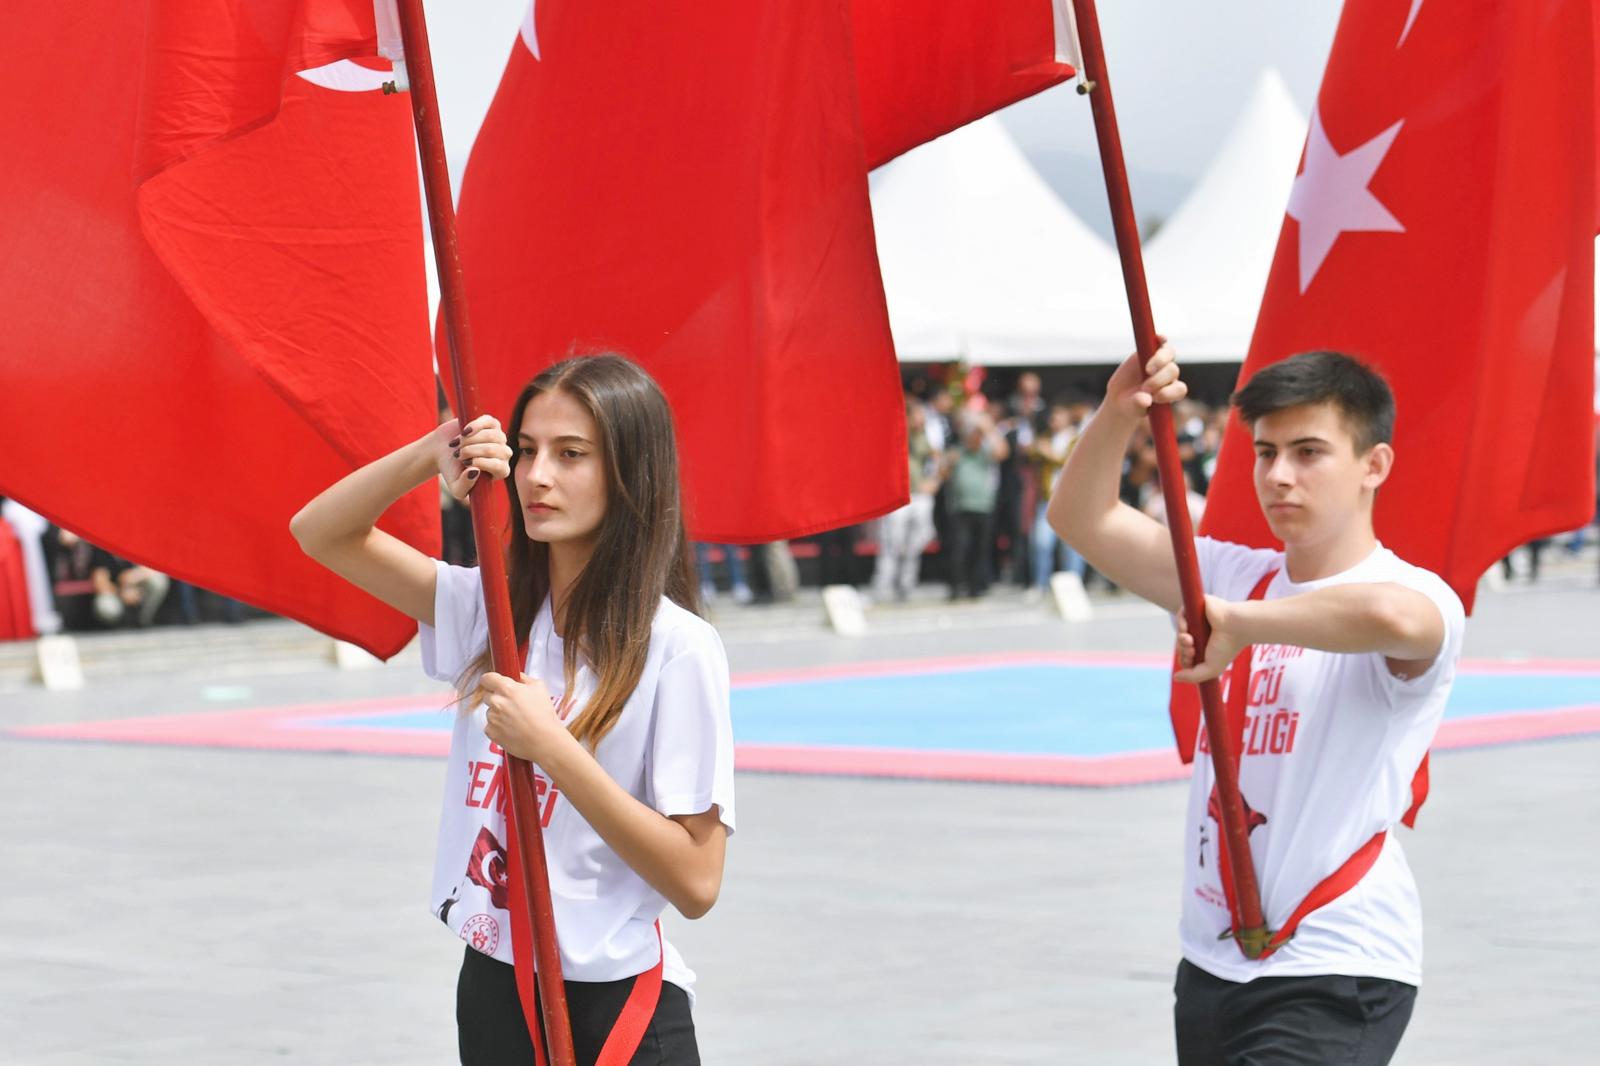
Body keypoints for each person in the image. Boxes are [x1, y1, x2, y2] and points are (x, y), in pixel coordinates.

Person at [291, 354, 733, 1065]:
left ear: (631, 472)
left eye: (571, 454)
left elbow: (697, 881)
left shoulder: (676, 646)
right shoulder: (490, 612)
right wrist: (432, 451)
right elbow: (319, 532)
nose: (536, 476)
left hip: (612, 1005)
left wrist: (552, 747)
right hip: (494, 986)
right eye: (527, 450)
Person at [1049, 347, 1464, 1066]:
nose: (1278, 475)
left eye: (1309, 453)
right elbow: (1081, 518)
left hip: (1336, 960)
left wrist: (1242, 624)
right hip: (1212, 961)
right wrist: (1120, 410)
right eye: (1266, 452)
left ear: (1374, 465)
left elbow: (1396, 620)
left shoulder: (1415, 592)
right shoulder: (1230, 575)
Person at [871, 397, 941, 603]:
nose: (921, 420)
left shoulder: (926, 436)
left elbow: (938, 460)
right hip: (899, 496)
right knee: (891, 543)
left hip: (920, 495)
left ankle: (906, 585)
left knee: (916, 543)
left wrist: (935, 482)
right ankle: (883, 587)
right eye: (917, 416)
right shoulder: (896, 434)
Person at [943, 412, 1009, 599]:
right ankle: (956, 585)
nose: (973, 439)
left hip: (983, 507)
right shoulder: (957, 452)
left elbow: (1002, 451)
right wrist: (948, 462)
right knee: (960, 548)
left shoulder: (985, 453)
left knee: (980, 549)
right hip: (960, 507)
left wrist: (988, 428)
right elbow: (943, 474)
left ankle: (975, 587)